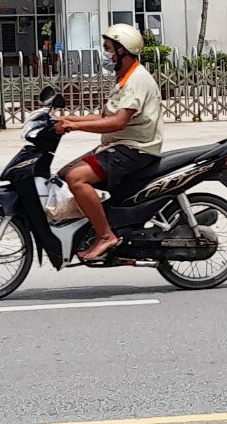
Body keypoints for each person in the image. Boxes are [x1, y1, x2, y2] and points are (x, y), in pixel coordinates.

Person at [54, 24, 163, 262]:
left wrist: (75, 126)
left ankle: (105, 236)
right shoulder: (124, 78)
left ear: (123, 50)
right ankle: (96, 224)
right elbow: (103, 117)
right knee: (64, 173)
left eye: (108, 48)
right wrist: (67, 119)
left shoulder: (137, 79)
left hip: (134, 150)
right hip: (117, 147)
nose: (104, 54)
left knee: (77, 178)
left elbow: (118, 122)